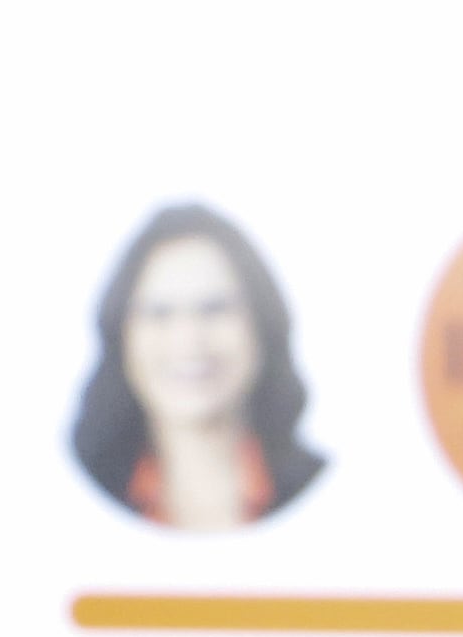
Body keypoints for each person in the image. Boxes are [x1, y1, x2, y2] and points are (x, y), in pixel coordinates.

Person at [73, 205, 326, 533]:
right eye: (160, 313)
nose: (189, 339)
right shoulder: (79, 488)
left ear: (262, 326)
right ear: (121, 334)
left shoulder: (318, 487)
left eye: (214, 309)